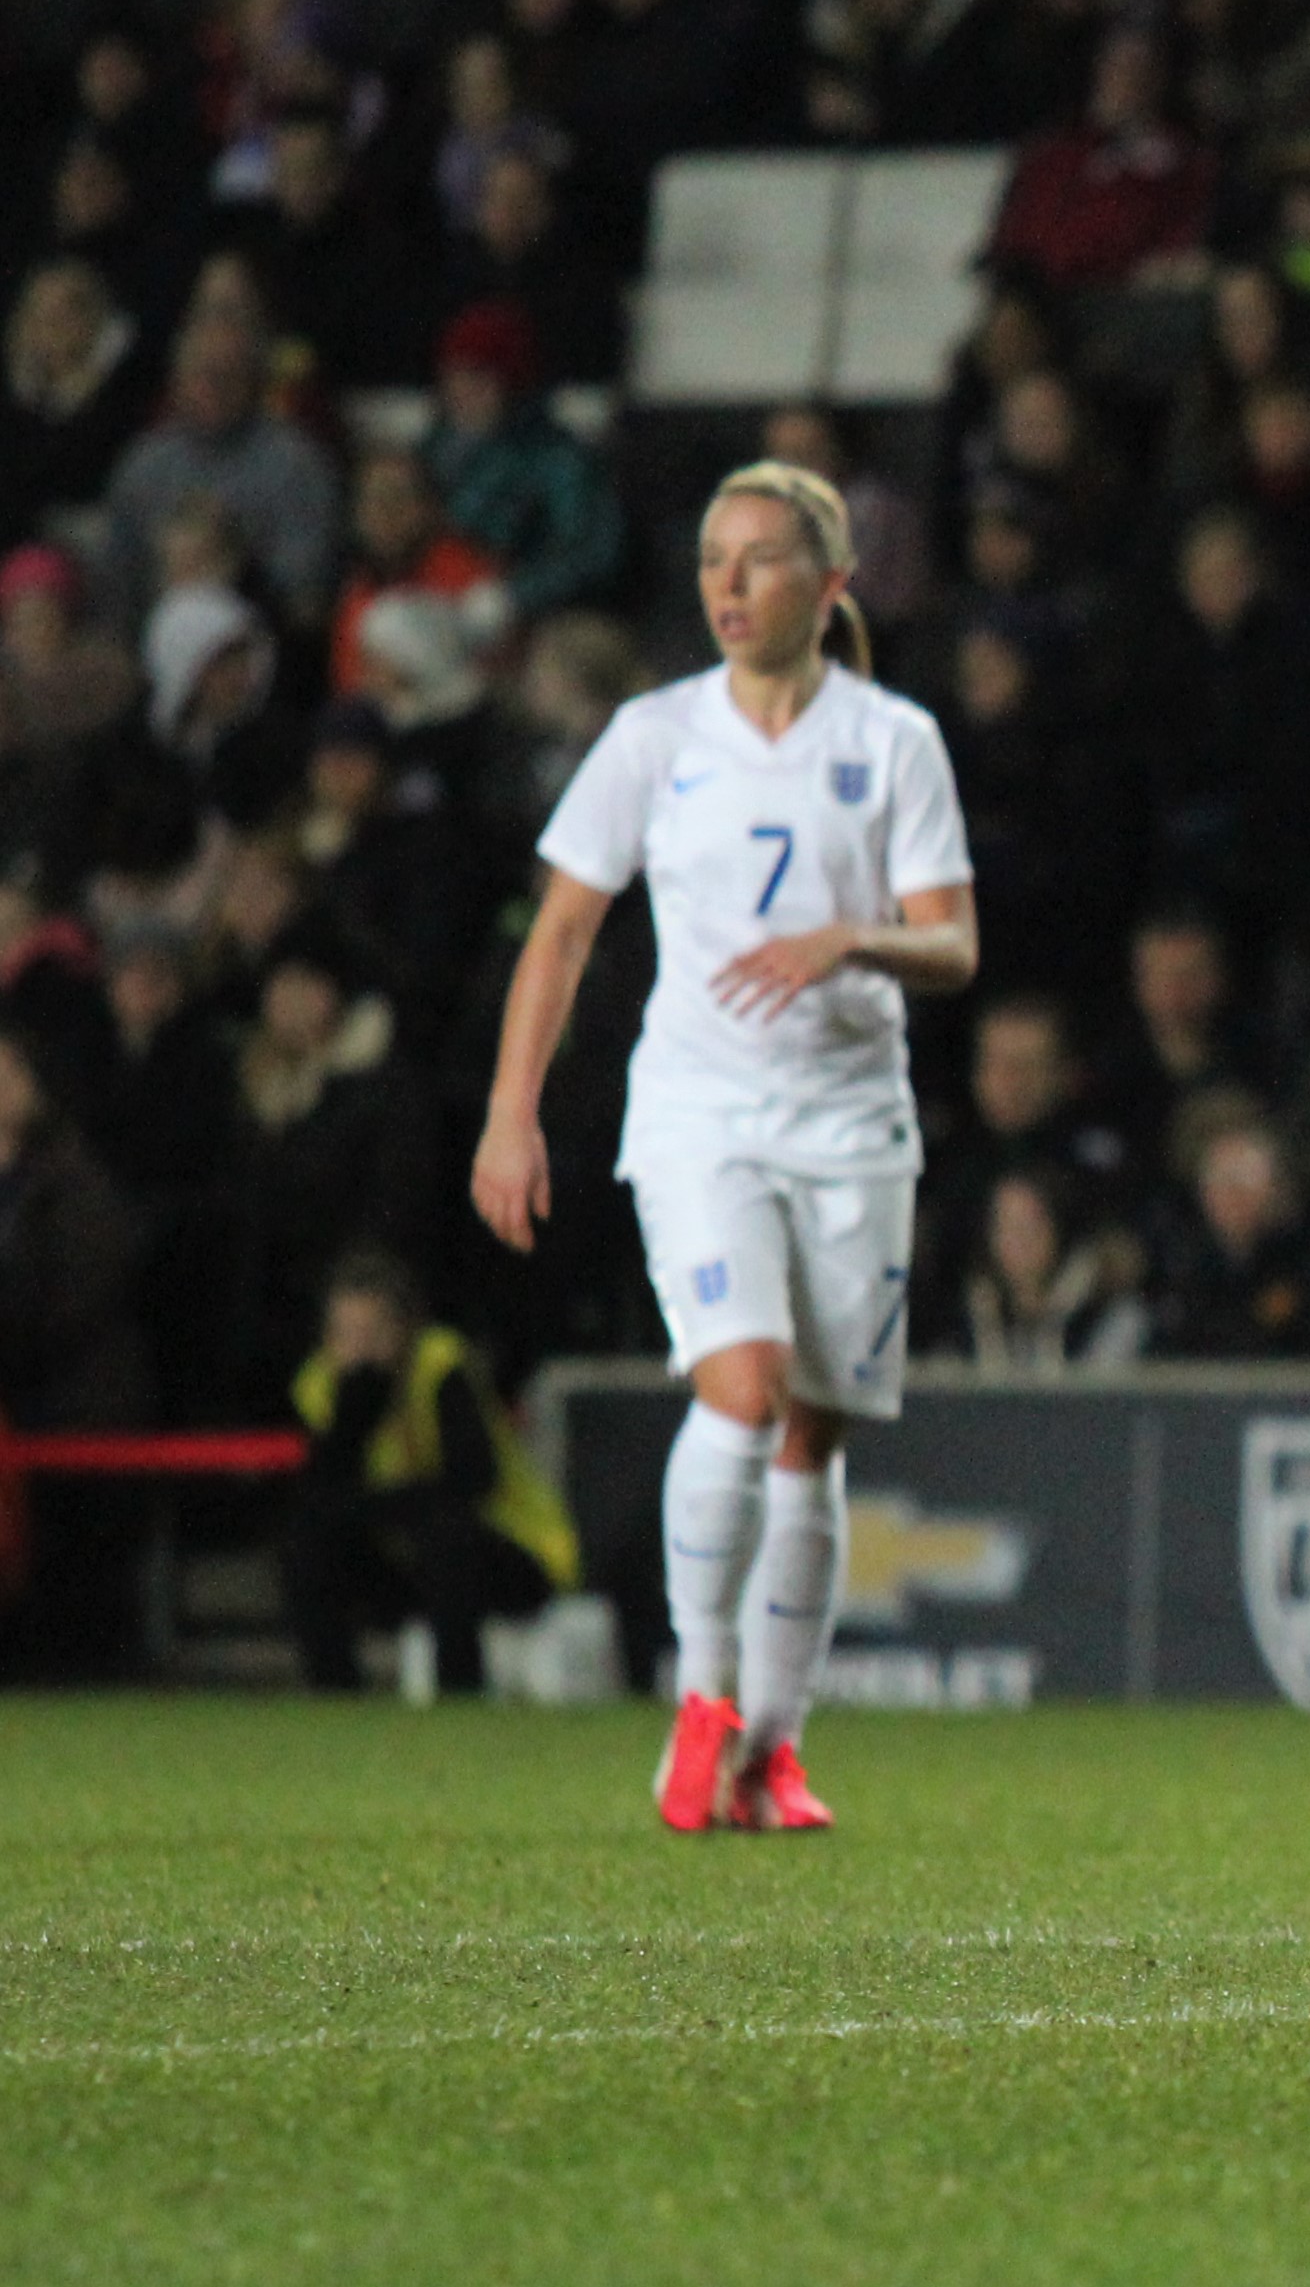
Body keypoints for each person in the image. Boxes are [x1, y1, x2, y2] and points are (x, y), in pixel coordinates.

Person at [470, 464, 977, 1836]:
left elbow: (955, 940)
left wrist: (850, 935)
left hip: (852, 1125)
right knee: (740, 1391)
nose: (729, 585)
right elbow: (563, 928)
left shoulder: (896, 741)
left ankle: (778, 1749)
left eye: (760, 559)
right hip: (699, 1114)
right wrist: (513, 1109)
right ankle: (705, 1697)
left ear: (831, 582)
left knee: (813, 1436)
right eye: (711, 560)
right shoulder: (653, 735)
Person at [283, 1248, 580, 1695]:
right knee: (310, 1539)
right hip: (407, 1554)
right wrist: (354, 1413)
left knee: (446, 1536)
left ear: (404, 1329)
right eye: (345, 1334)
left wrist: (376, 1507)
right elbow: (323, 1493)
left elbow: (471, 1479)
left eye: (373, 1332)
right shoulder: (321, 1384)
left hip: (510, 1549)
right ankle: (333, 1695)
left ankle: (460, 1696)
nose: (359, 1349)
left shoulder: (440, 1365)